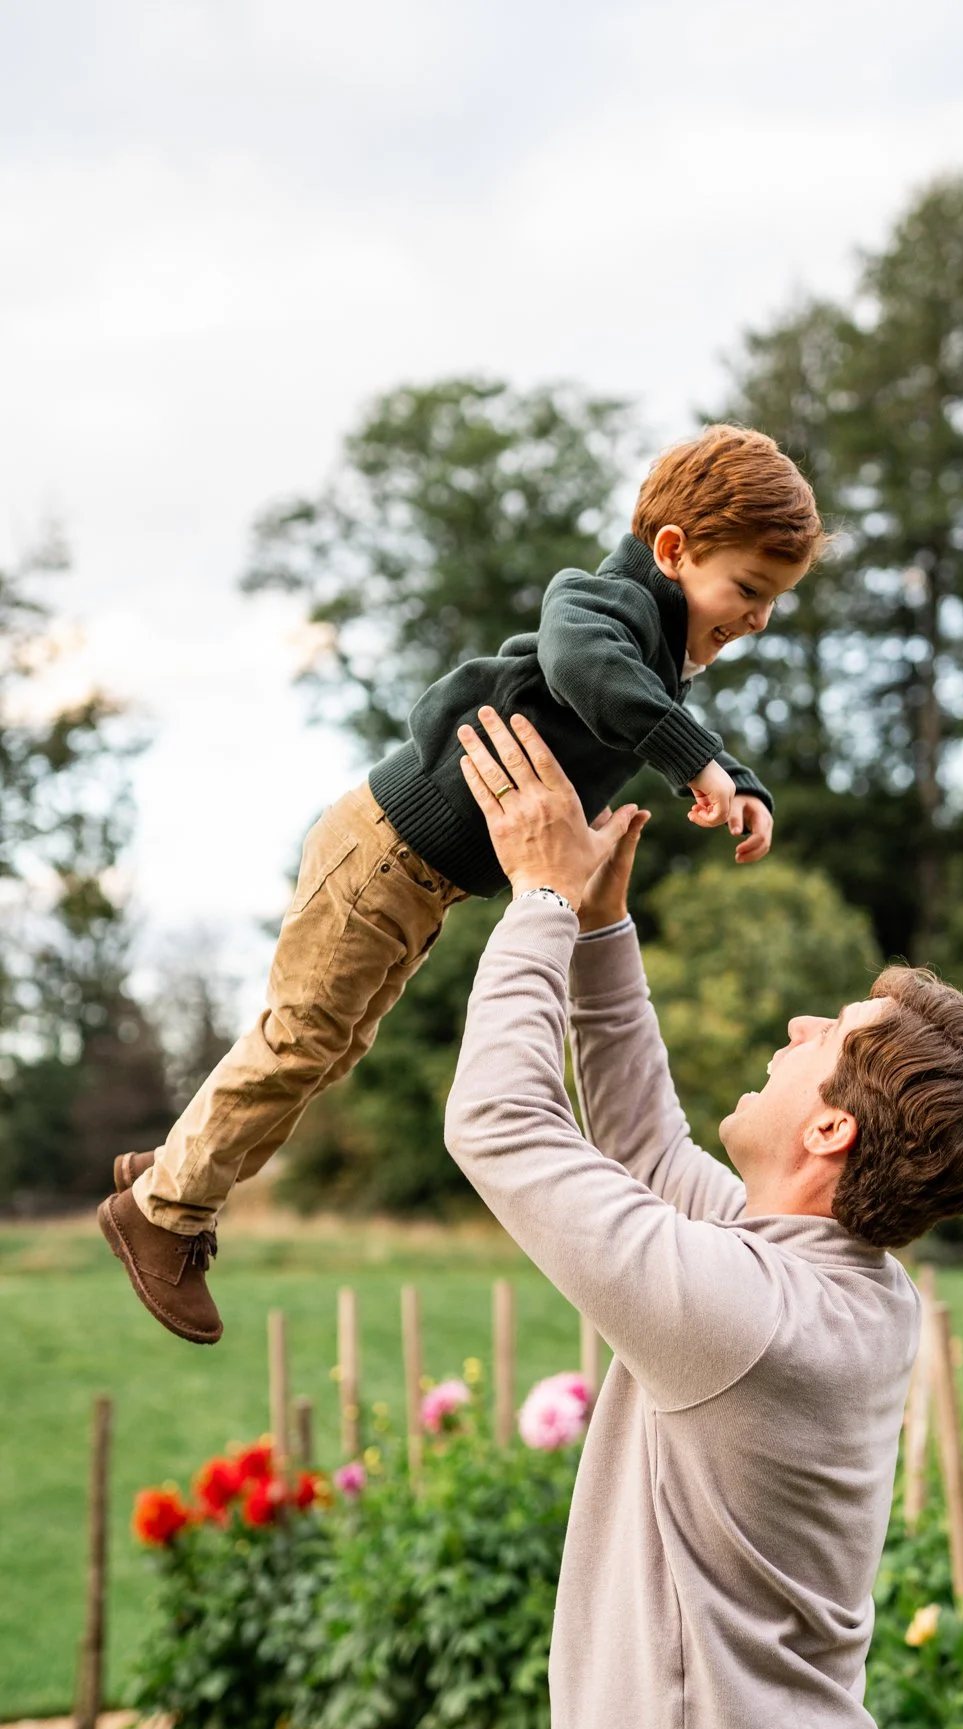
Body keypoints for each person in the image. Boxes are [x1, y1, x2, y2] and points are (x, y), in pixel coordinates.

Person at [442, 709, 963, 1729]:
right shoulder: (832, 1283)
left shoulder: (752, 1312)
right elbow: (649, 1150)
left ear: (828, 1130)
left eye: (830, 1033)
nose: (802, 1018)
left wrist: (538, 901)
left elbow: (500, 1121)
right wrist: (602, 928)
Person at [98, 425, 823, 1343]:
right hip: (380, 853)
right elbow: (591, 674)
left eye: (773, 602)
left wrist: (736, 780)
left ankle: (173, 1169)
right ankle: (164, 1214)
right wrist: (697, 763)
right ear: (673, 551)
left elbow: (651, 711)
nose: (758, 619)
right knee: (301, 1038)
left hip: (415, 880)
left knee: (331, 1048)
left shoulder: (656, 662)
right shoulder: (597, 608)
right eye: (748, 590)